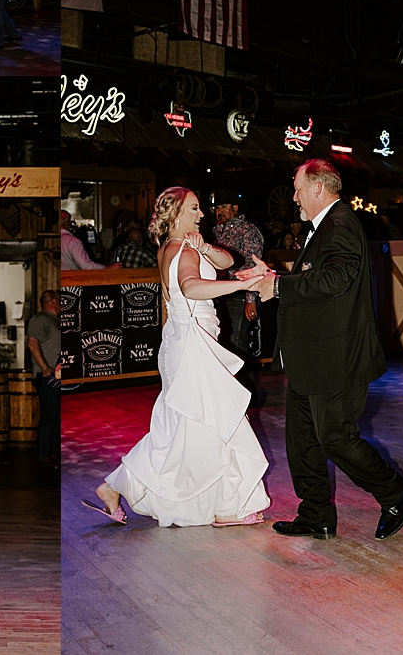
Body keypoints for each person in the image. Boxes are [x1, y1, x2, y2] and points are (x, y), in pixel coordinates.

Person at [239, 159, 403, 541]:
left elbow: (336, 278)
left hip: (336, 357)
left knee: (336, 437)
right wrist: (272, 278)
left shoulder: (339, 225)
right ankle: (316, 515)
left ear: (318, 187)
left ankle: (395, 492)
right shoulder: (325, 227)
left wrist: (279, 287)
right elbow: (317, 281)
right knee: (302, 441)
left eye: (298, 188)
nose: (294, 196)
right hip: (312, 355)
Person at [89, 188, 270, 528]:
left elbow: (228, 261)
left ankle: (114, 485)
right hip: (193, 345)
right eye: (194, 208)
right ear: (176, 214)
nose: (201, 215)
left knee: (177, 428)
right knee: (215, 424)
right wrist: (240, 287)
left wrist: (204, 247)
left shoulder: (170, 247)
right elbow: (189, 287)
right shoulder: (182, 250)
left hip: (178, 342)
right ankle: (226, 508)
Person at [210, 190, 265, 393]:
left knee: (236, 342)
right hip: (220, 292)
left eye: (223, 207)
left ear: (235, 208)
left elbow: (253, 265)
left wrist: (251, 299)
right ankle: (232, 389)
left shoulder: (248, 230)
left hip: (240, 292)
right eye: (216, 208)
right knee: (224, 340)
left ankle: (246, 390)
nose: (219, 212)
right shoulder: (216, 231)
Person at [25, 290, 62, 469]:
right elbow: (32, 343)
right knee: (50, 415)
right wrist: (45, 368)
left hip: (57, 375)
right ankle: (44, 455)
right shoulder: (39, 319)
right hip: (47, 377)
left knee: (57, 416)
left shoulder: (56, 320)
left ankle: (54, 453)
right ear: (53, 301)